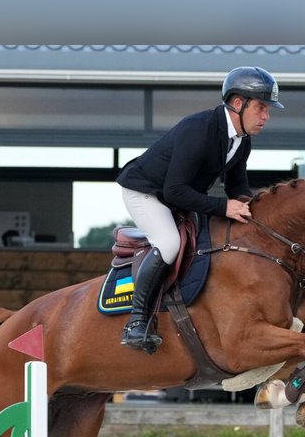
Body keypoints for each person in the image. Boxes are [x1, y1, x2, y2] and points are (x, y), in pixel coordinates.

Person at [115, 66, 283, 352]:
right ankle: (136, 321)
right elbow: (174, 191)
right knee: (169, 244)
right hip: (145, 192)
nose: (266, 116)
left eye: (268, 109)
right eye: (261, 107)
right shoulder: (199, 130)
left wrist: (255, 210)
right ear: (238, 103)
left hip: (177, 195)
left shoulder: (241, 140)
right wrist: (223, 207)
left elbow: (237, 184)